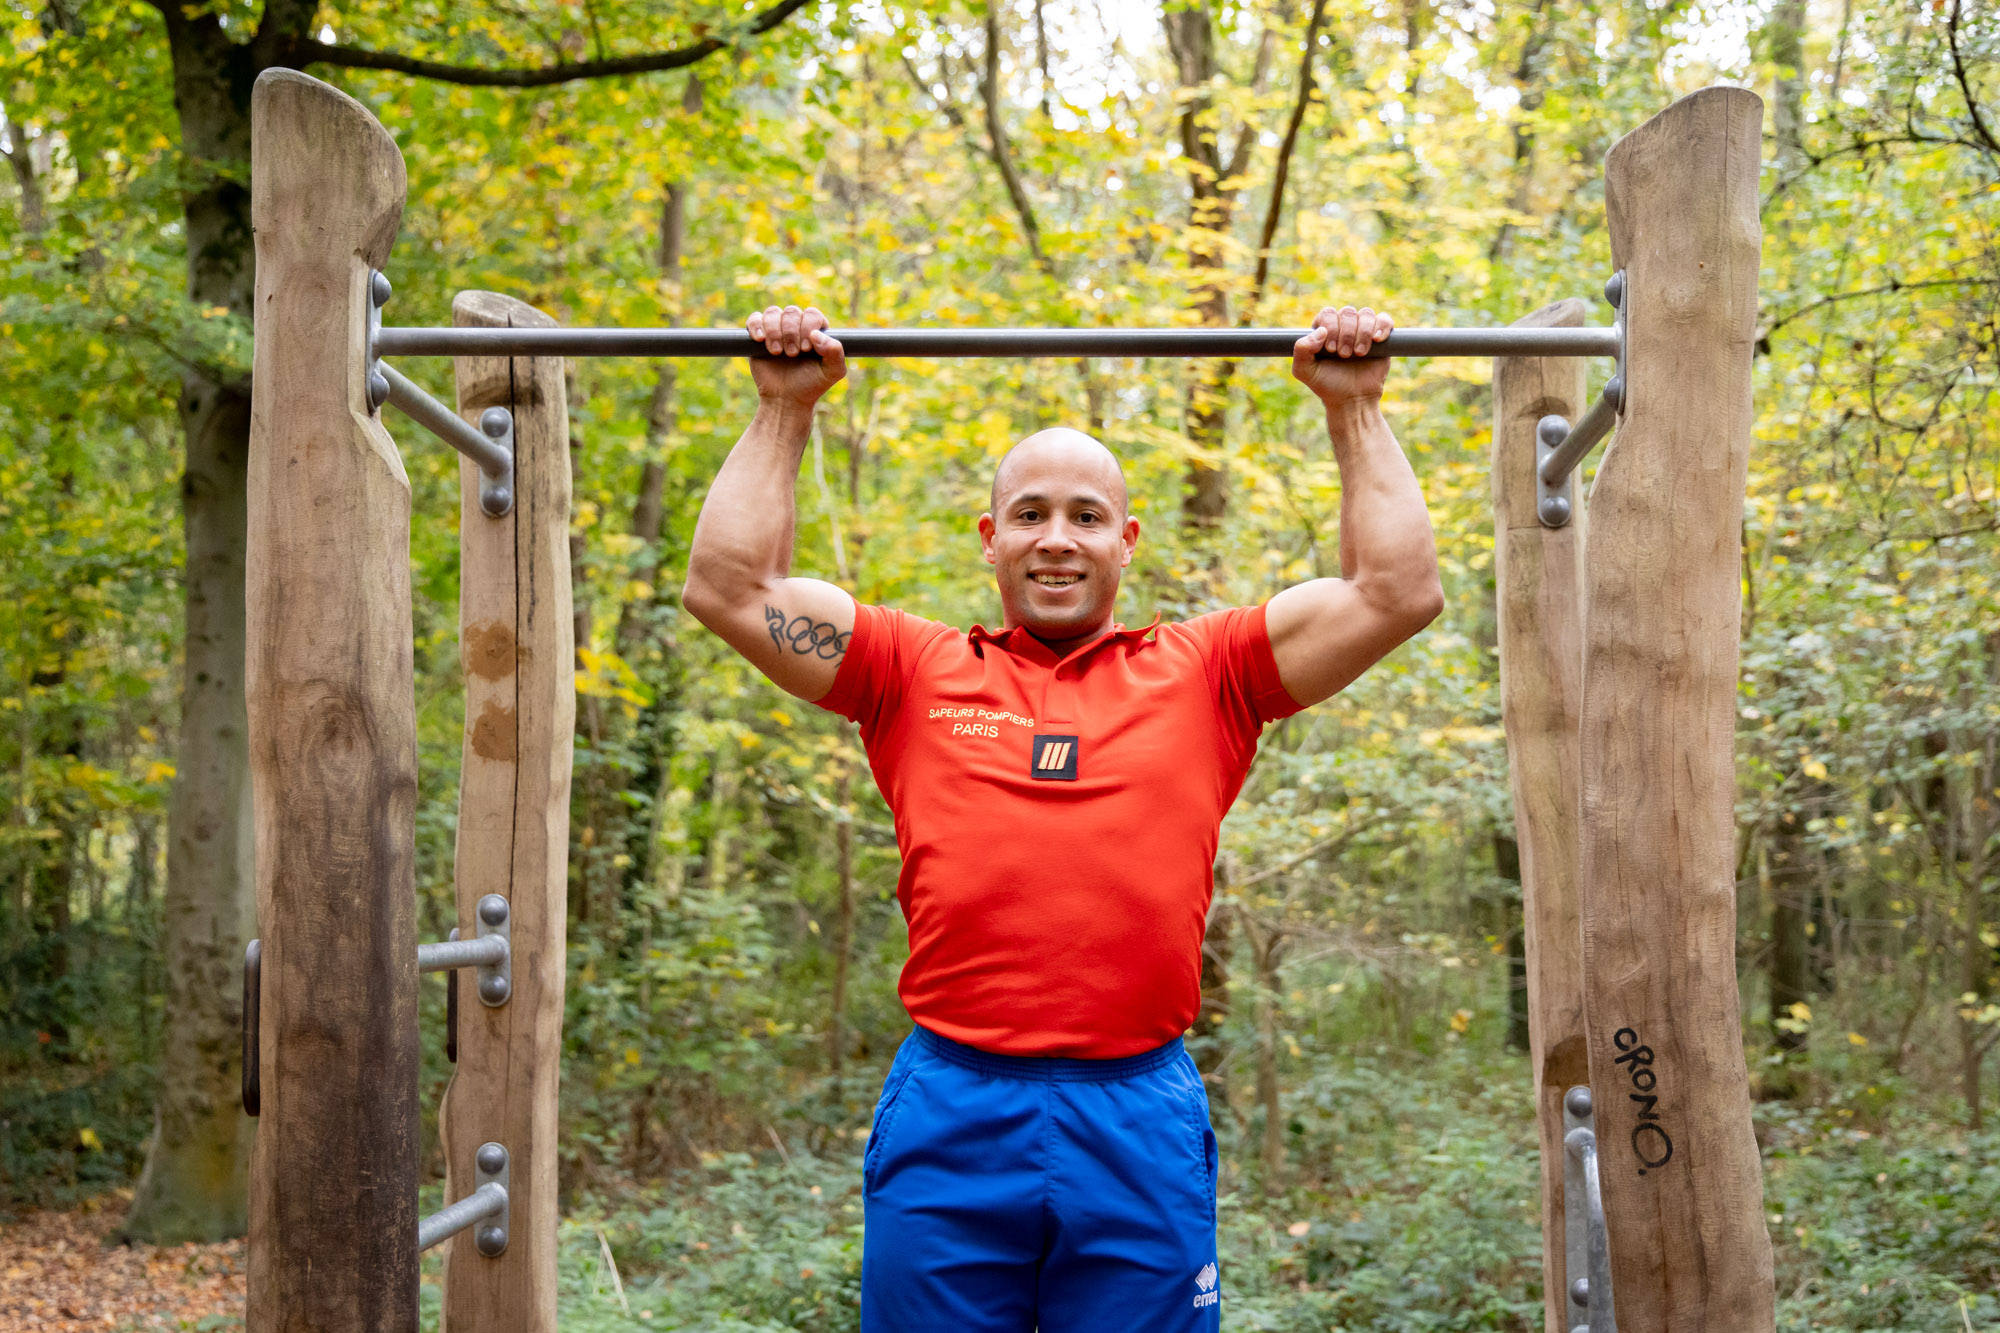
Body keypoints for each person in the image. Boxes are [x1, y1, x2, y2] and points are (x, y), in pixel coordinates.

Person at [682, 302, 1442, 1332]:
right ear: (988, 536)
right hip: (953, 1105)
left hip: (1135, 1111)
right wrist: (783, 408)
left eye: (1085, 515)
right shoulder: (909, 670)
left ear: (1125, 541)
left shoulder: (1207, 671)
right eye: (1029, 513)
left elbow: (1394, 592)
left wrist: (1353, 410)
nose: (1056, 538)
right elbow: (730, 588)